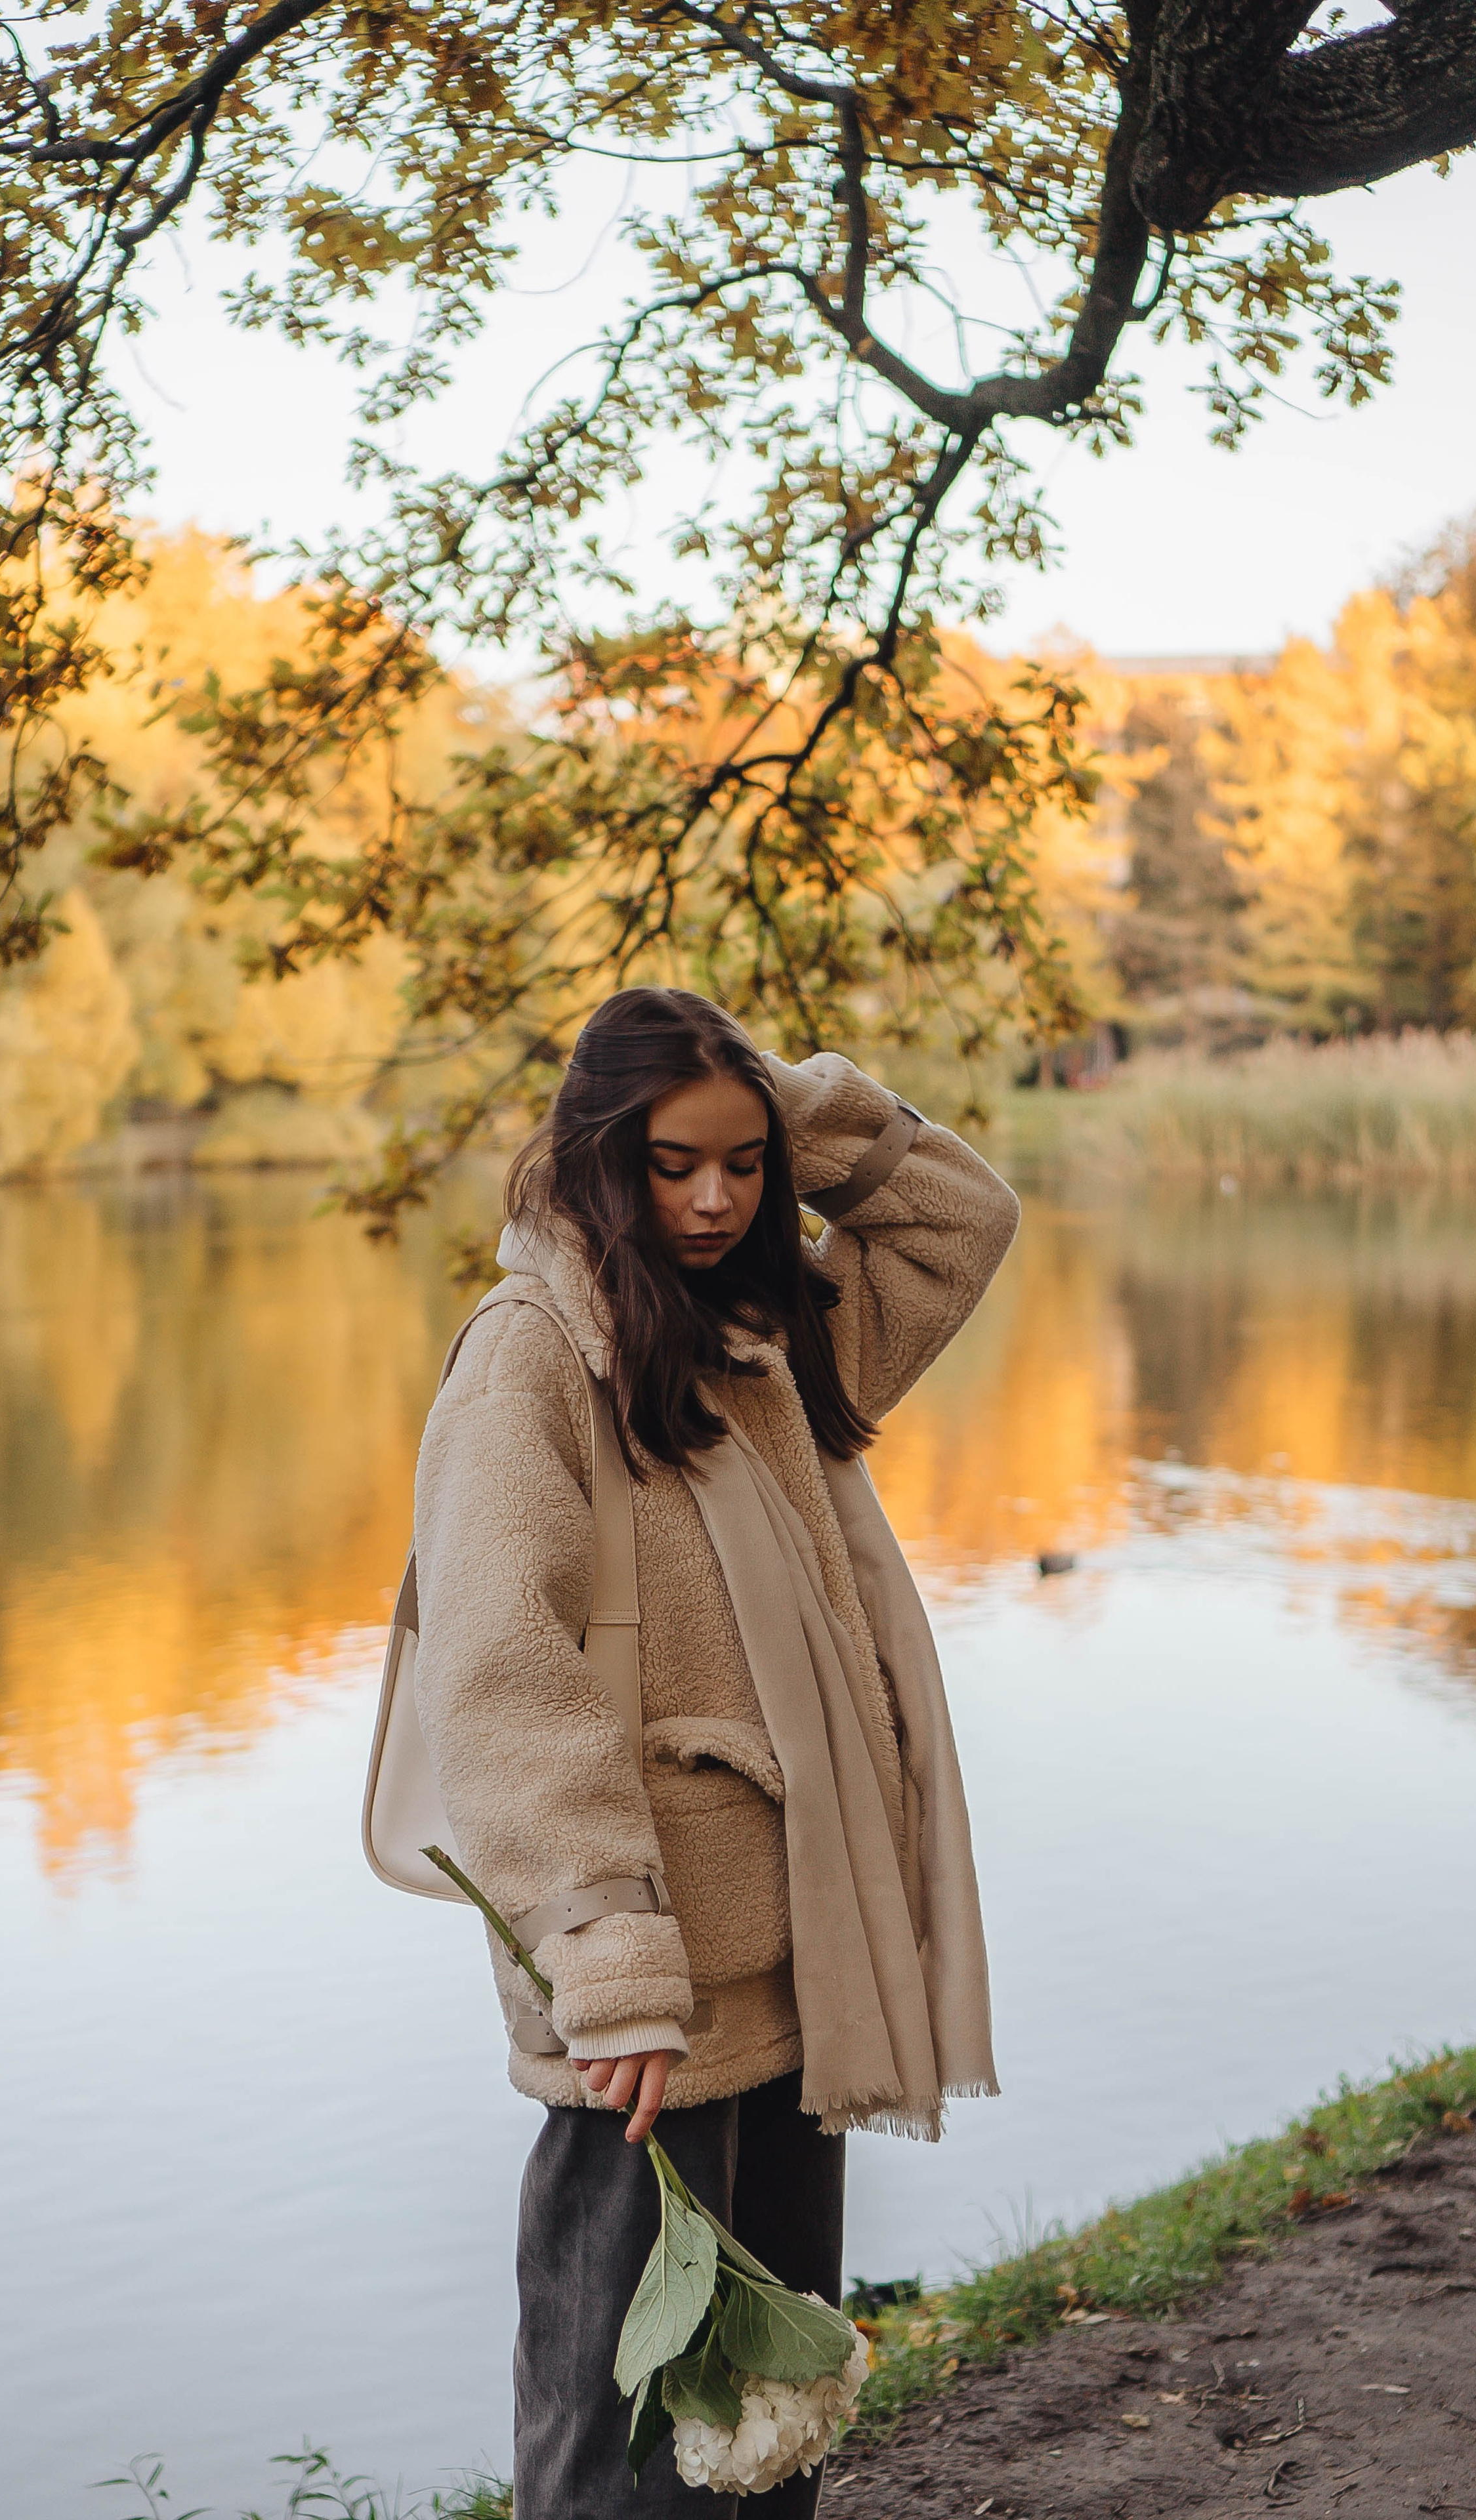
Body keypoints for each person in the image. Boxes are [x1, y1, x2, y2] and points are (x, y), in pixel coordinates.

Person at [411, 987, 1018, 2516]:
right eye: (672, 1162)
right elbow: (497, 1672)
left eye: (743, 1164)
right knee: (617, 2447)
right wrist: (605, 1963)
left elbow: (957, 1216)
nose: (712, 1198)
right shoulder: (533, 1356)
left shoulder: (769, 1341)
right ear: (598, 1154)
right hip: (640, 1990)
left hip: (788, 1959)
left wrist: (774, 1094)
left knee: (767, 2418)